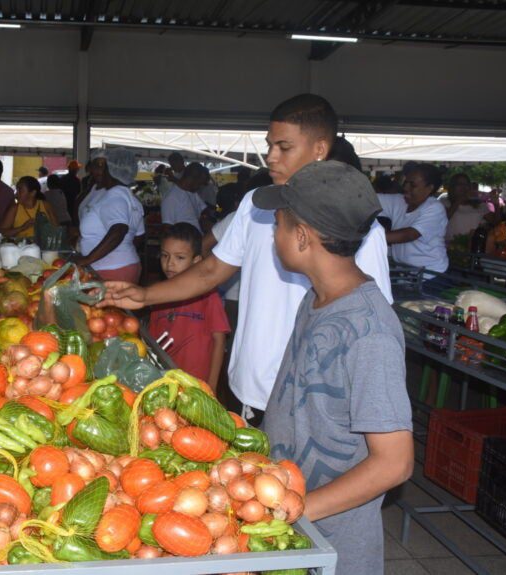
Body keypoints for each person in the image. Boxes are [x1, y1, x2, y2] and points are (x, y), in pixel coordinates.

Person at [101, 94, 392, 425]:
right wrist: (146, 295)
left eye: (284, 147)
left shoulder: (354, 227)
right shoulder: (256, 204)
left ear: (319, 149)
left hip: (312, 398)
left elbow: (372, 320)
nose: (271, 157)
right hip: (250, 385)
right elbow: (211, 269)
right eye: (269, 145)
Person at [254, 161, 413, 575]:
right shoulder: (318, 299)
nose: (274, 234)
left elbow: (395, 463)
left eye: (279, 225)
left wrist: (300, 510)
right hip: (293, 520)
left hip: (334, 544)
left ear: (302, 237)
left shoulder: (369, 333)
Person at [148, 223, 230, 387]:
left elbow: (219, 340)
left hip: (196, 383)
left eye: (179, 258)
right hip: (164, 379)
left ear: (196, 261)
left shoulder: (208, 295)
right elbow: (152, 343)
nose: (170, 263)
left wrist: (211, 386)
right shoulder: (159, 293)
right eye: (165, 256)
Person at [74, 147, 145, 282]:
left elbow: (119, 229)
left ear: (110, 170)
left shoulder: (114, 195)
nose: (101, 171)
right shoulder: (130, 197)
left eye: (104, 167)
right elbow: (139, 235)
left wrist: (88, 259)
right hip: (125, 265)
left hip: (110, 270)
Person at [377, 162, 448, 275]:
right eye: (406, 182)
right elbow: (370, 199)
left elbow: (409, 235)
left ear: (429, 188)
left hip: (430, 276)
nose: (405, 187)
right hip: (405, 273)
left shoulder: (435, 208)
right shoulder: (399, 201)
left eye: (412, 185)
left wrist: (371, 236)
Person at [160, 162, 214, 232]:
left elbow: (204, 209)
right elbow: (167, 229)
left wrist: (204, 218)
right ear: (192, 179)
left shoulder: (193, 193)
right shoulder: (171, 199)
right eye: (200, 183)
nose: (200, 187)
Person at [440, 173, 494, 242]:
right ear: (453, 187)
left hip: (474, 244)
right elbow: (443, 220)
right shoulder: (445, 201)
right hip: (451, 245)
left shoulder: (479, 204)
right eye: (459, 184)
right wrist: (460, 200)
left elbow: (494, 221)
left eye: (466, 184)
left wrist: (496, 204)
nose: (463, 187)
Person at [59, 159, 82, 226]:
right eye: (77, 169)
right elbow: (79, 192)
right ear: (75, 170)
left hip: (63, 204)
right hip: (73, 205)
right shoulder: (76, 180)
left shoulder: (62, 179)